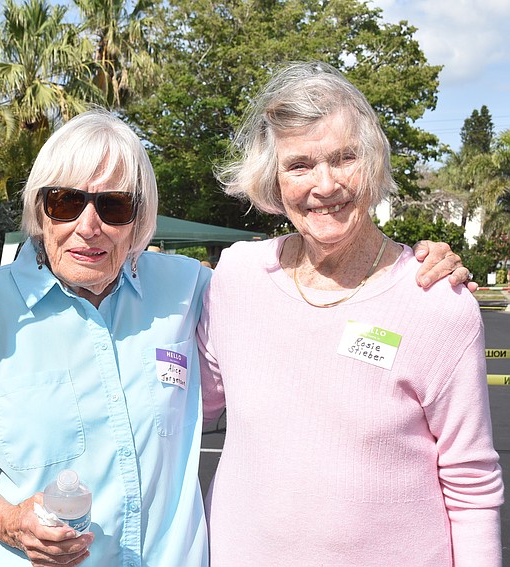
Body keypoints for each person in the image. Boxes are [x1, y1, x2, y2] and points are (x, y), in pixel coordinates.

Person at [0, 108, 471, 567]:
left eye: (114, 207)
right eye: (65, 202)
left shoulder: (189, 288)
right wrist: (11, 521)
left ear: (140, 219)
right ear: (39, 209)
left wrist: (405, 263)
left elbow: (303, 276)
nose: (89, 227)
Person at [198, 61, 503, 565]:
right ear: (273, 180)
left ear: (374, 162)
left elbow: (471, 485)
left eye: (344, 158)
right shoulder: (236, 277)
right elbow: (179, 413)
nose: (325, 184)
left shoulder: (437, 302)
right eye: (299, 165)